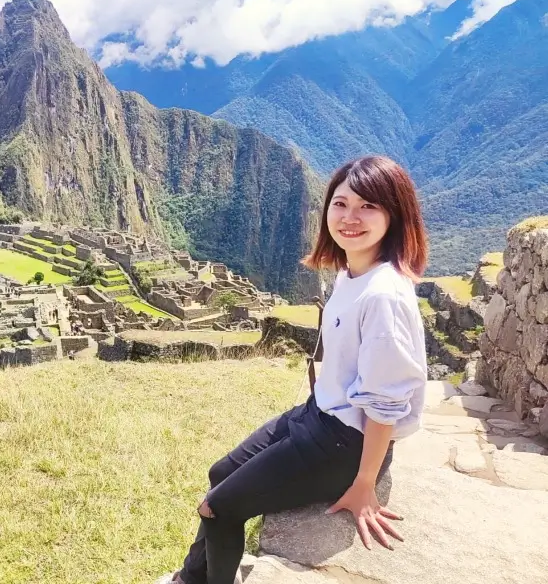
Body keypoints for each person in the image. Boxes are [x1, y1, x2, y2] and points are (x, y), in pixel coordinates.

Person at [165, 156, 429, 584]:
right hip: (316, 416)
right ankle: (189, 577)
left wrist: (364, 483)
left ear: (394, 215)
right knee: (219, 473)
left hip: (345, 445)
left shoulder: (384, 296)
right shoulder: (351, 274)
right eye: (341, 204)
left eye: (368, 207)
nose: (350, 218)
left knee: (219, 506)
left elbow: (386, 402)